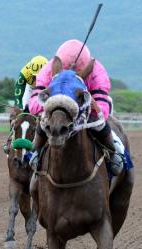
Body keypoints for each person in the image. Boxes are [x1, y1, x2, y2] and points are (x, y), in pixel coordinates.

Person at [28, 39, 123, 175]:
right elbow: (34, 105)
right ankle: (35, 153)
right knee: (43, 122)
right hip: (56, 107)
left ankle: (115, 153)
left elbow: (103, 109)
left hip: (85, 106)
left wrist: (89, 105)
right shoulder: (48, 70)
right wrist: (49, 106)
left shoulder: (97, 72)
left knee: (99, 124)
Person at [3, 55, 48, 154]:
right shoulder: (24, 72)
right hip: (29, 88)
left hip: (45, 90)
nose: (36, 80)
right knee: (21, 112)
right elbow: (19, 91)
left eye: (38, 77)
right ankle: (11, 140)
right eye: (34, 76)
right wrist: (20, 107)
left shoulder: (51, 74)